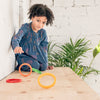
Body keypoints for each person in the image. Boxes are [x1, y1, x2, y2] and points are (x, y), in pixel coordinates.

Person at [11, 4, 54, 71]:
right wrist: (16, 47)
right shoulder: (25, 27)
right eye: (38, 21)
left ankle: (38, 65)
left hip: (36, 56)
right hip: (23, 56)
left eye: (43, 22)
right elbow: (16, 38)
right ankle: (21, 66)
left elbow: (44, 50)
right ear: (32, 17)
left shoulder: (43, 33)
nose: (40, 25)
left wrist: (45, 63)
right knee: (35, 65)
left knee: (44, 67)